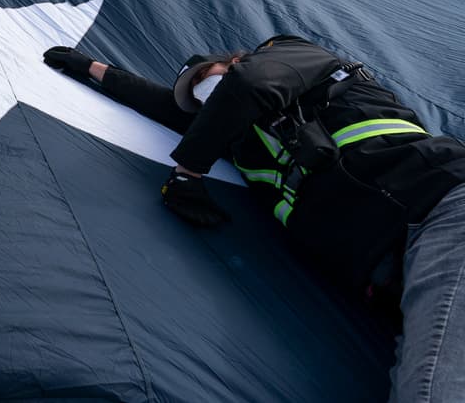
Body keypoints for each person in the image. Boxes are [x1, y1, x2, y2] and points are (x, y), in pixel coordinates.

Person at [43, 35, 465, 402]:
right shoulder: (248, 143)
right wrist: (94, 69)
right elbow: (175, 113)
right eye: (198, 99)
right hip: (397, 269)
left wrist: (187, 174)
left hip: (441, 209)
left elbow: (250, 85)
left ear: (234, 61)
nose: (205, 94)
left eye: (208, 78)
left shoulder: (295, 58)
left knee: (429, 387)